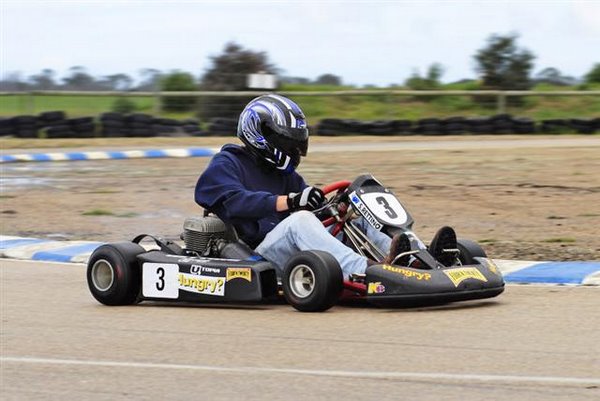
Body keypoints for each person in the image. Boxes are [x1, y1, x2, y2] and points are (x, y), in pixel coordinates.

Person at [195, 94, 457, 278]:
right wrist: (291, 201)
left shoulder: (282, 172)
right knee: (300, 221)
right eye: (287, 142)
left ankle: (420, 258)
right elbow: (230, 201)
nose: (294, 150)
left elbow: (311, 206)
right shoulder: (227, 163)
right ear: (262, 136)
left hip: (294, 246)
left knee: (358, 215)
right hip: (257, 252)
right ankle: (368, 271)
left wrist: (334, 206)